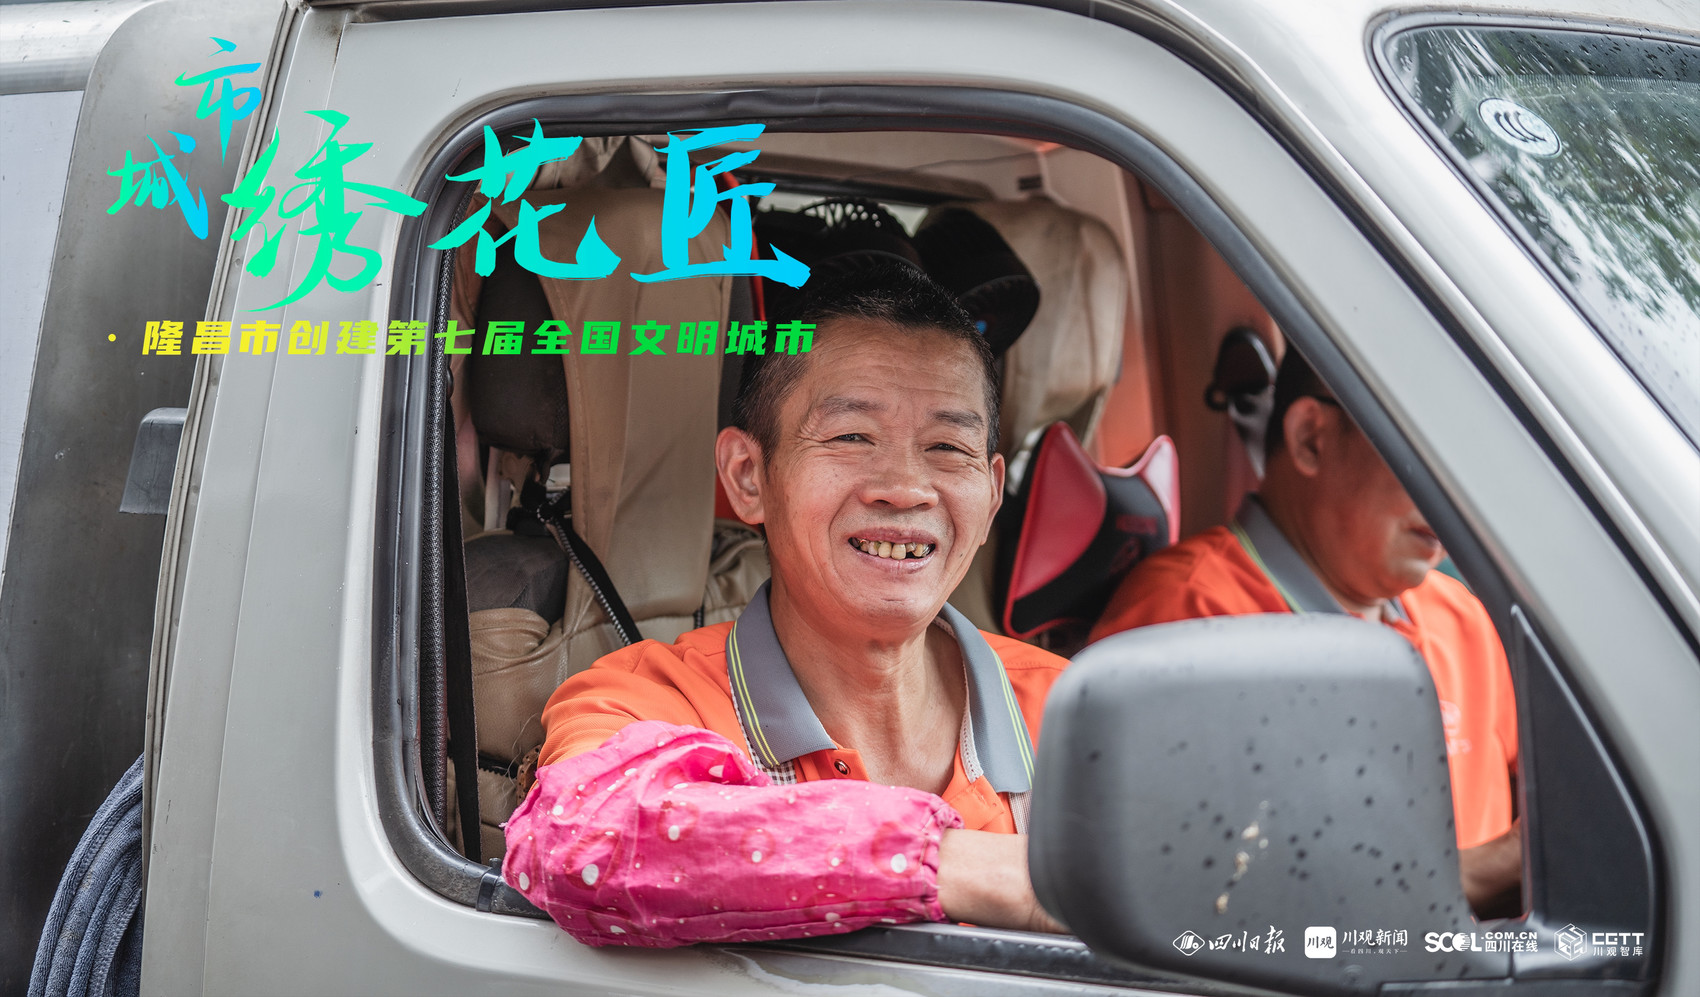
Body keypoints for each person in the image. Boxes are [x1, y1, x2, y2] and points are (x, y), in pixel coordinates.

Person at [502, 263, 1070, 946]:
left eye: (948, 447)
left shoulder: (1076, 711)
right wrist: (960, 866)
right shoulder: (645, 700)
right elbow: (580, 838)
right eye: (852, 436)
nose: (905, 487)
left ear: (991, 494)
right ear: (749, 477)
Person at [1087, 348, 1522, 917]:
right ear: (1310, 438)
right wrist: (1489, 871)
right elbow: (1199, 898)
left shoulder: (1462, 616)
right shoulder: (1186, 620)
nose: (1455, 493)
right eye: (1428, 450)